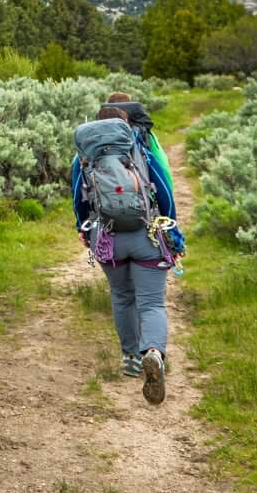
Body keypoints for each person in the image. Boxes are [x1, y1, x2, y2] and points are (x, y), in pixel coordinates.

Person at [69, 91, 182, 404]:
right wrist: (173, 230)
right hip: (146, 236)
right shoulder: (141, 146)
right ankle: (154, 353)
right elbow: (165, 188)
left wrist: (83, 228)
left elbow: (78, 196)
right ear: (127, 119)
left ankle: (131, 357)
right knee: (152, 302)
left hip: (107, 238)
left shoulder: (86, 152)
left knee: (121, 296)